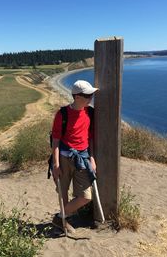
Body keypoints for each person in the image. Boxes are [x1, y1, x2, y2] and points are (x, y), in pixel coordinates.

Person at [51, 79, 99, 233]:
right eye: (88, 95)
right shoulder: (62, 114)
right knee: (63, 192)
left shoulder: (90, 112)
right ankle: (64, 222)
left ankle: (60, 216)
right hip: (64, 159)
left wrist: (92, 158)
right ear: (77, 97)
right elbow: (56, 141)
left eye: (91, 94)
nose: (91, 97)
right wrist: (56, 164)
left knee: (86, 196)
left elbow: (90, 138)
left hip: (82, 159)